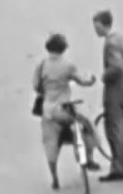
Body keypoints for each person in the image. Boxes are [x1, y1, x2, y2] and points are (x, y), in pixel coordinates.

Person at [33, 33, 100, 189]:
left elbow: (36, 86)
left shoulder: (41, 65)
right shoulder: (68, 66)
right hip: (65, 110)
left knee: (50, 145)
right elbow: (82, 81)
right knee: (87, 126)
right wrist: (91, 80)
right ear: (63, 49)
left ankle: (55, 179)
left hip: (49, 112)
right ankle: (88, 158)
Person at [92, 10, 123, 182]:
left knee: (114, 129)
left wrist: (105, 75)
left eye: (97, 27)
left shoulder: (110, 43)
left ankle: (118, 168)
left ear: (104, 25)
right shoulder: (121, 38)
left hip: (115, 90)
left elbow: (116, 67)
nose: (95, 31)